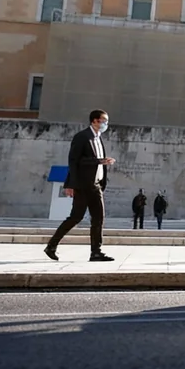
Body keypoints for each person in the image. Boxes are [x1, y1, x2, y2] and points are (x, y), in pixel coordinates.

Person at [44, 109, 116, 262]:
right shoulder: (82, 137)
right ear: (94, 121)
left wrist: (101, 166)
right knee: (76, 217)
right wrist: (71, 184)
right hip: (83, 185)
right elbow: (75, 161)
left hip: (96, 185)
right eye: (104, 121)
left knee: (98, 218)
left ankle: (96, 251)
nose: (106, 124)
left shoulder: (98, 138)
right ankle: (51, 245)